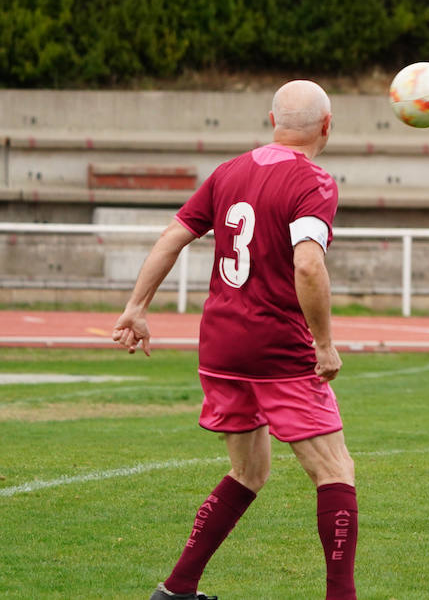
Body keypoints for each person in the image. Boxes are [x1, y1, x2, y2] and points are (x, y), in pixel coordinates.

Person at [112, 80, 358, 600]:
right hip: (278, 349)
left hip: (221, 346)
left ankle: (177, 589)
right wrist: (325, 343)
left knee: (248, 471)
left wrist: (136, 308)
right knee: (335, 469)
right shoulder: (313, 181)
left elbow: (174, 235)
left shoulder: (228, 172)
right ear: (327, 126)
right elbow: (309, 265)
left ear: (272, 119)